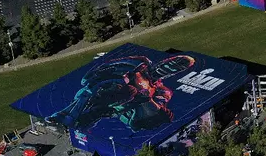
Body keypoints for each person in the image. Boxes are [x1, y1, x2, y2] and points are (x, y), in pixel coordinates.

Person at [50, 53, 196, 133]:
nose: (170, 67)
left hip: (119, 105)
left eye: (177, 67)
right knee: (87, 92)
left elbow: (148, 112)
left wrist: (143, 97)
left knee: (99, 109)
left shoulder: (162, 91)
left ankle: (75, 124)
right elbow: (109, 68)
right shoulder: (141, 62)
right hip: (107, 87)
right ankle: (64, 117)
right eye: (174, 61)